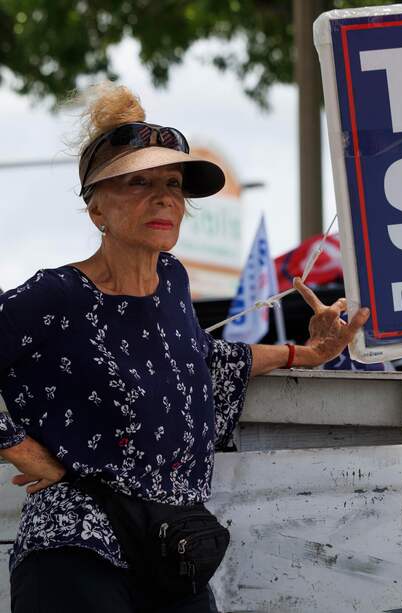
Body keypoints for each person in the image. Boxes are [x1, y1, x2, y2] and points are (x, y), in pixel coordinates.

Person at [0, 82, 369, 612]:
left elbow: (195, 361)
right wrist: (24, 451)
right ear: (95, 209)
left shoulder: (171, 281)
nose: (164, 197)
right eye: (138, 182)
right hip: (76, 541)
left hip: (174, 545)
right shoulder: (55, 294)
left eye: (172, 183)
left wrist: (304, 353)